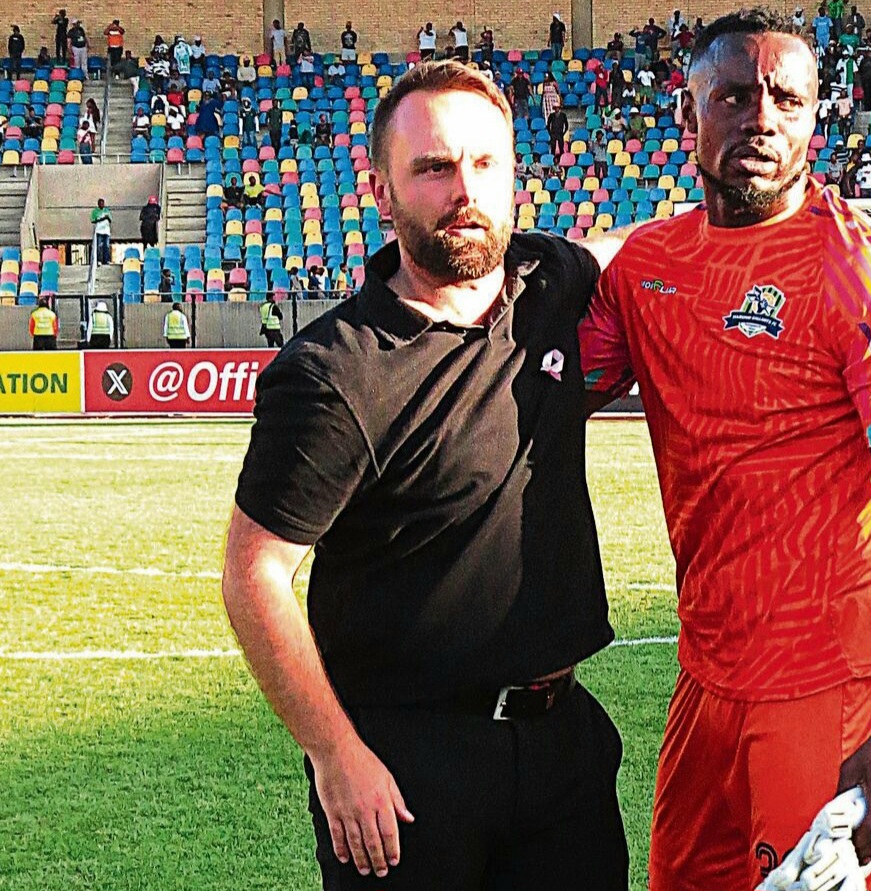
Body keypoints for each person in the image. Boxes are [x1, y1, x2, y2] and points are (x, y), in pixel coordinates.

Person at [579, 10, 871, 891]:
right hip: (706, 676)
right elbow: (544, 391)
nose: (761, 117)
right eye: (734, 95)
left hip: (822, 679)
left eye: (787, 100)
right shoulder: (649, 268)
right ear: (688, 114)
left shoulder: (865, 279)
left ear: (813, 121)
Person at [222, 60, 636, 891]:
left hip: (562, 753)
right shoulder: (334, 372)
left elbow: (648, 250)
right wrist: (336, 756)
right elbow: (254, 573)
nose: (464, 188)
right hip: (406, 768)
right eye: (435, 167)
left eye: (486, 164)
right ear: (383, 193)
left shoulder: (553, 282)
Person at [91, 198, 112, 264]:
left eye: (103, 203)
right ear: (98, 204)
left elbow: (110, 220)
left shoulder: (107, 210)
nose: (102, 205)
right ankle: (99, 260)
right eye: (100, 203)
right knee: (99, 246)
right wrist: (102, 218)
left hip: (106, 231)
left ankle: (106, 260)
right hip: (99, 231)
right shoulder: (95, 211)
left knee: (107, 246)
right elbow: (93, 220)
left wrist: (107, 217)